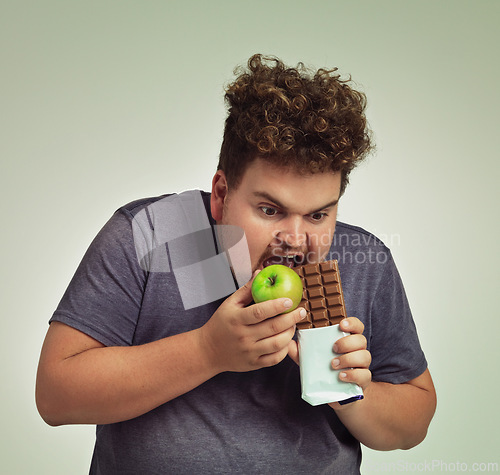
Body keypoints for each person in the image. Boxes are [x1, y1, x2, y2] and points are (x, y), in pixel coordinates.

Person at [36, 54, 436, 474]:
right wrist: (207, 351)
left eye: (318, 214)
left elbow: (414, 422)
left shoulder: (365, 260)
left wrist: (350, 391)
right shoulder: (155, 233)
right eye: (269, 210)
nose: (296, 239)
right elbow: (55, 396)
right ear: (222, 194)